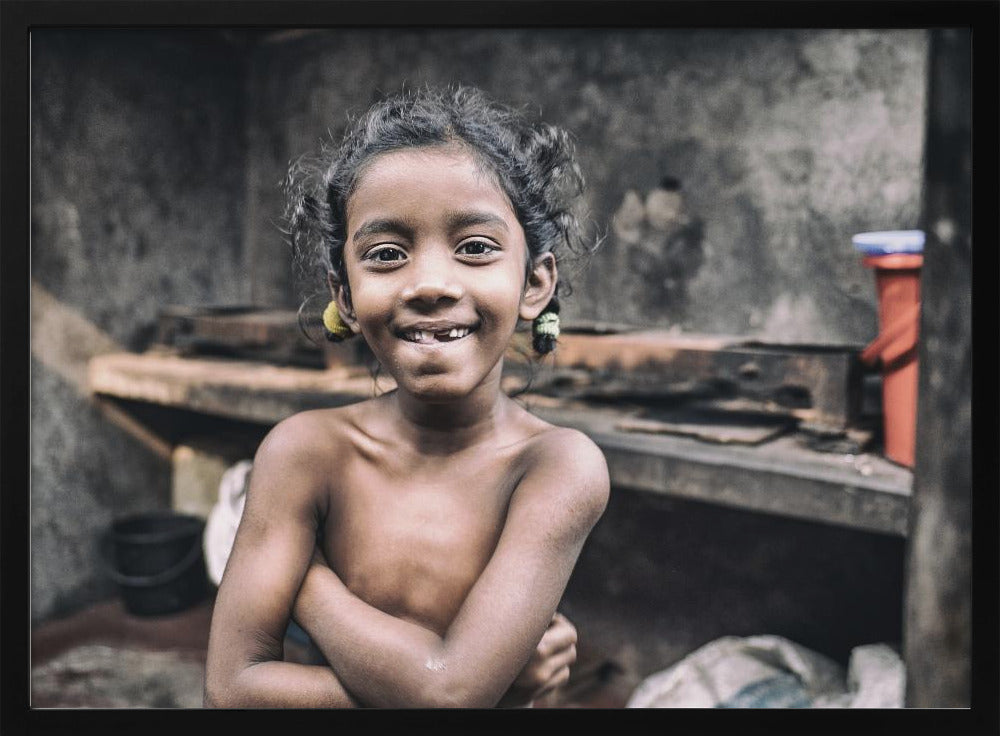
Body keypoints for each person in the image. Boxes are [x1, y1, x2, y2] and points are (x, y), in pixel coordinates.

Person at [203, 85, 609, 708]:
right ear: (345, 296)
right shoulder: (306, 451)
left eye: (475, 248)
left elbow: (448, 694)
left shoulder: (557, 466)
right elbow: (231, 692)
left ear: (534, 284)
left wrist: (308, 583)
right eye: (387, 254)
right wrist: (494, 695)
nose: (430, 284)